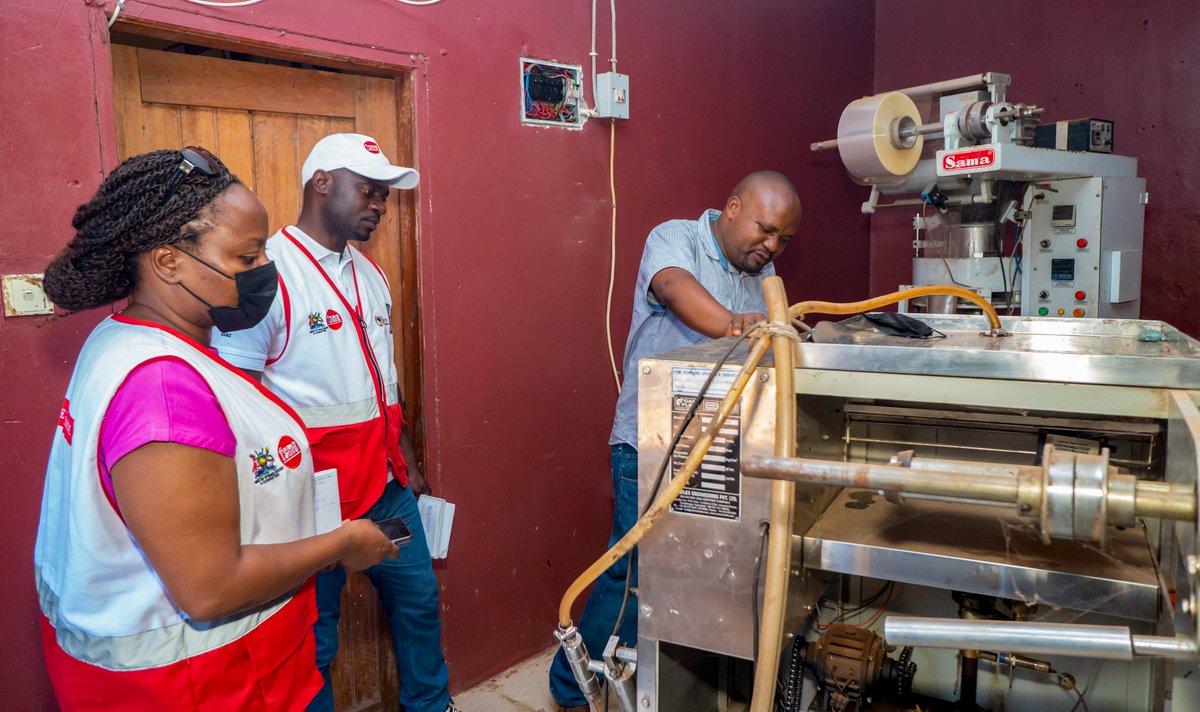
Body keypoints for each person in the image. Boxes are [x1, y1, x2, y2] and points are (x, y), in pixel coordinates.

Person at [35, 147, 398, 712]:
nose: (265, 272)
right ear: (168, 262)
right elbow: (210, 589)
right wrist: (344, 542)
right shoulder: (163, 389)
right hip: (204, 685)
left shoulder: (123, 338)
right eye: (247, 257)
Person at [214, 134, 457, 712]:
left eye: (385, 196)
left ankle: (431, 704)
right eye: (368, 190)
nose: (379, 204)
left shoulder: (370, 275)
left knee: (419, 602)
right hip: (309, 500)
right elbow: (235, 397)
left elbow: (385, 381)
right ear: (321, 183)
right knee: (313, 640)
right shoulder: (269, 276)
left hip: (386, 485)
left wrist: (410, 461)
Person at [549, 171, 802, 710]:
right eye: (765, 229)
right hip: (649, 442)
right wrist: (737, 324)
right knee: (631, 569)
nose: (771, 245)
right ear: (732, 207)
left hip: (717, 445)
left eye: (783, 238)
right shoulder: (675, 238)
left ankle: (671, 679)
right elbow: (673, 288)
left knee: (700, 567)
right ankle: (569, 690)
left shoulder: (763, 270)